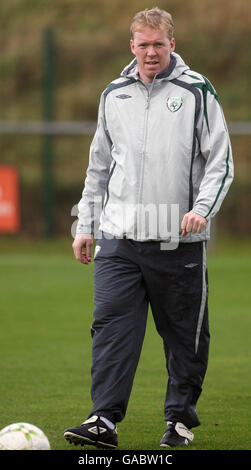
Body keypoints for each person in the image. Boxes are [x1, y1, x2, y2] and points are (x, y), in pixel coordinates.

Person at [64, 7, 233, 448]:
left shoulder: (197, 91)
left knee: (184, 339)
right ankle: (103, 419)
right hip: (118, 239)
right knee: (111, 328)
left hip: (178, 238)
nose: (151, 52)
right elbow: (98, 167)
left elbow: (221, 162)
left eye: (159, 44)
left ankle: (178, 419)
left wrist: (202, 209)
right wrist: (87, 225)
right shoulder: (113, 94)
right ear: (132, 46)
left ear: (172, 44)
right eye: (143, 44)